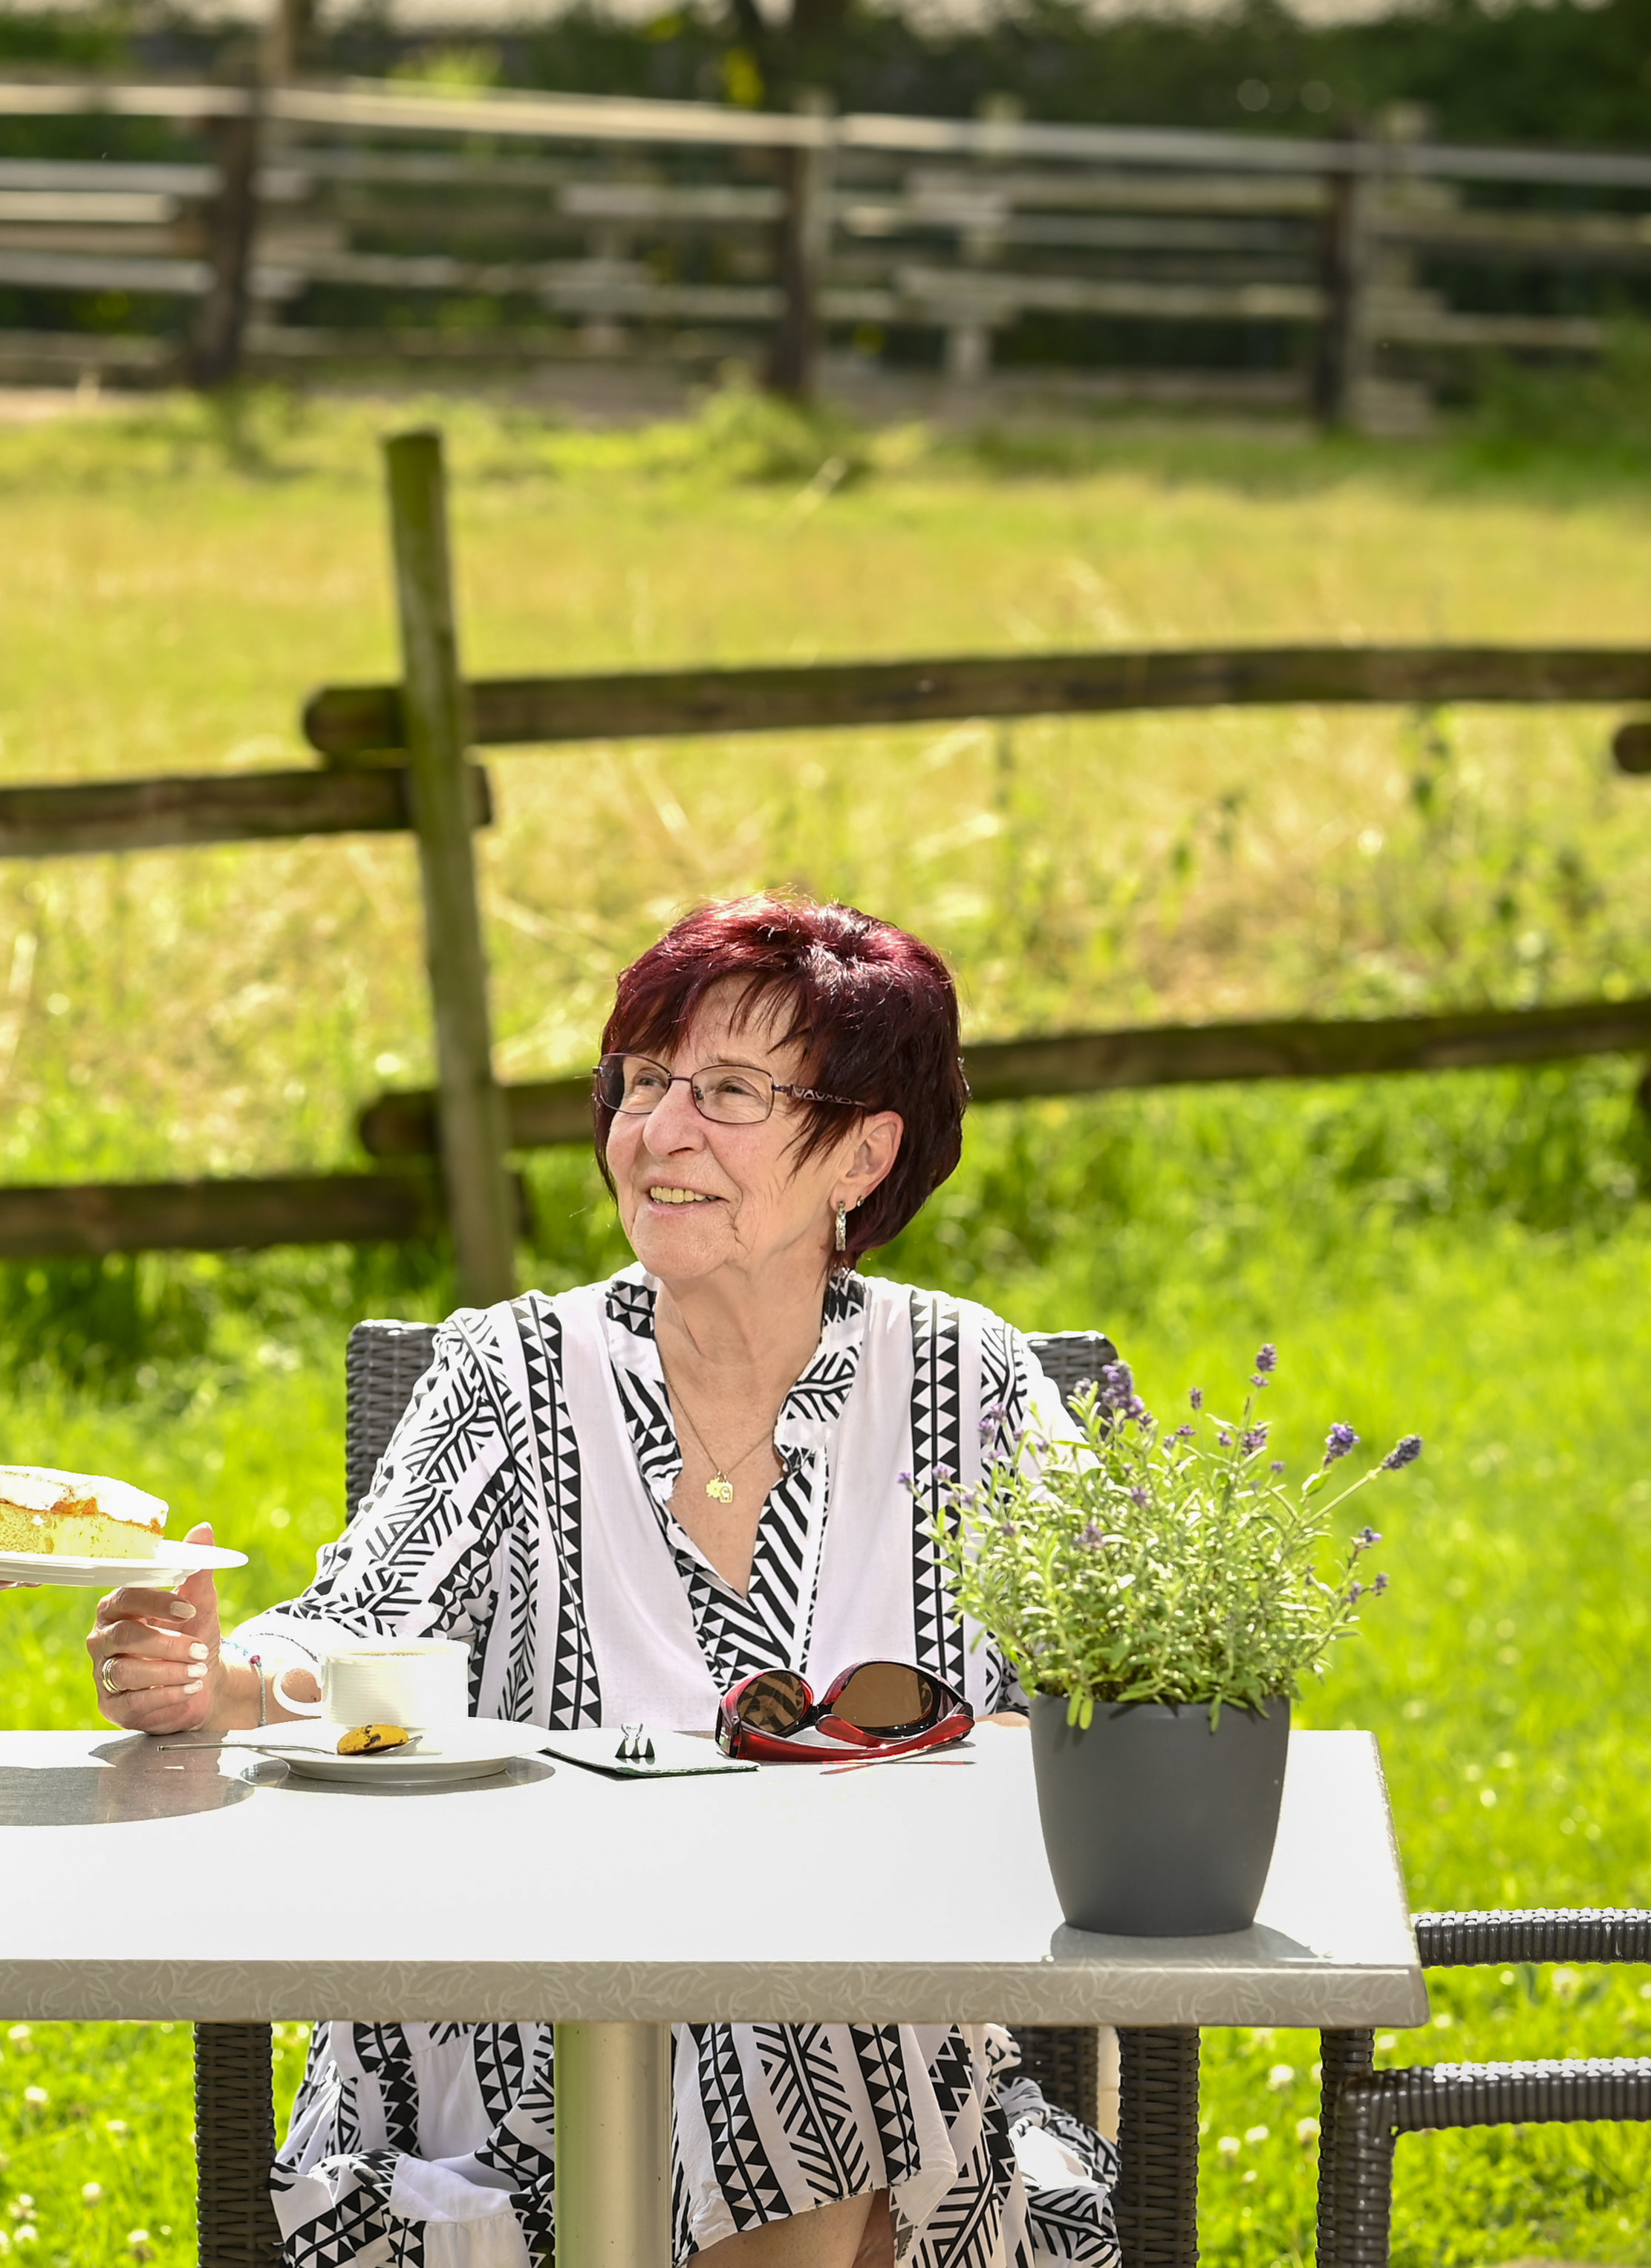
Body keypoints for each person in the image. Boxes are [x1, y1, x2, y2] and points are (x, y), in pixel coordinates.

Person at [86, 892, 1122, 2268]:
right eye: (643, 1083)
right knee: (778, 2030)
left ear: (863, 1154)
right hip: (522, 2051)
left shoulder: (965, 1384)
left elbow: (1128, 1683)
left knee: (798, 2012)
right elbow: (357, 1632)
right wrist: (214, 1680)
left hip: (895, 2057)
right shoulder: (510, 1373)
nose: (659, 1132)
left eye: (732, 1092)